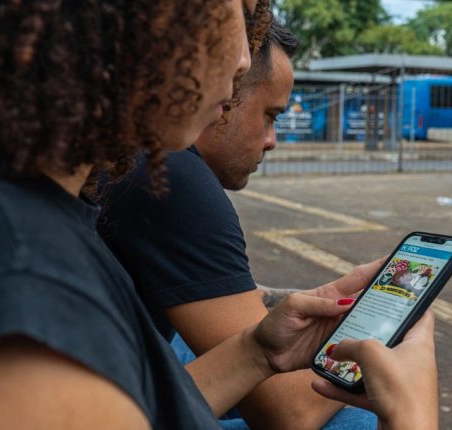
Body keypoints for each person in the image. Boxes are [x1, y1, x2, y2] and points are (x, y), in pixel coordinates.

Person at [0, 2, 439, 430]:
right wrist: (413, 417)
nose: (244, 60)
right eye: (239, 10)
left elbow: (140, 404)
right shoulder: (26, 315)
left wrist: (257, 352)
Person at [98, 19, 376, 429]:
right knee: (356, 424)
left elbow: (221, 296)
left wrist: (308, 301)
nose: (272, 139)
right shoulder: (168, 170)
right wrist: (400, 380)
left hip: (112, 365)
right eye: (270, 115)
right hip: (104, 397)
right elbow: (290, 412)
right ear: (222, 90)